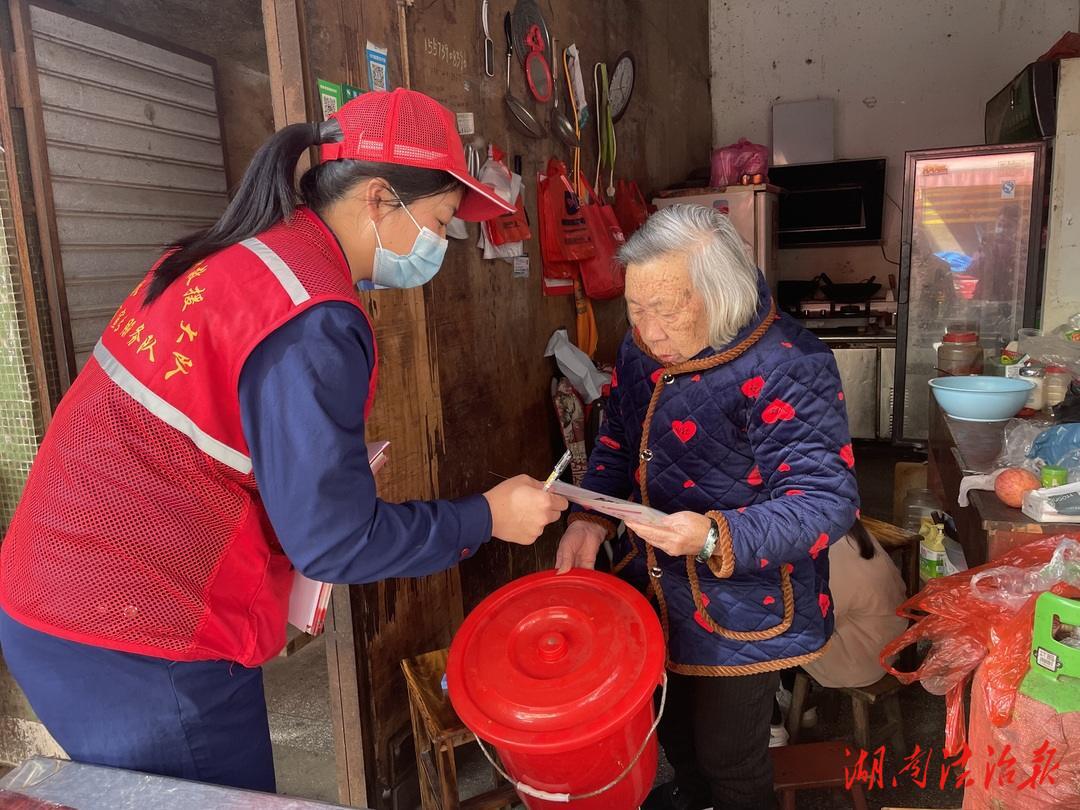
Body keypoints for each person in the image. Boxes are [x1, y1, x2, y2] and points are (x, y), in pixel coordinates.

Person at [0, 89, 567, 793]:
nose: (440, 247)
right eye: (444, 223)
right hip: (143, 643)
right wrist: (486, 516)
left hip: (47, 604)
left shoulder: (222, 256)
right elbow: (333, 541)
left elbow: (208, 434)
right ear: (381, 199)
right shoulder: (314, 313)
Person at [554, 205, 859, 810]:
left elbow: (826, 502)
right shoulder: (645, 349)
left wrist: (716, 536)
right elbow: (617, 434)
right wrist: (590, 515)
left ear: (722, 296)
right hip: (657, 585)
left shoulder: (788, 363)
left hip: (745, 604)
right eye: (636, 309)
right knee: (675, 736)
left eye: (666, 309)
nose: (648, 331)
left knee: (730, 756)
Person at [771, 517, 910, 744]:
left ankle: (774, 727)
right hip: (886, 645)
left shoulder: (829, 553)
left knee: (765, 634)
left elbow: (814, 621)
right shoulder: (854, 534)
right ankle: (803, 709)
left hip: (859, 661)